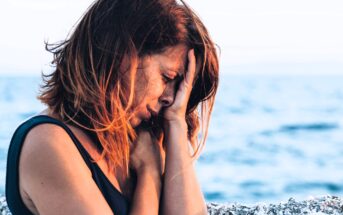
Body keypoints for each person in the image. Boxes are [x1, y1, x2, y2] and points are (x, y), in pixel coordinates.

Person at [5, 0, 219, 214]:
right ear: (124, 55)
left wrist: (176, 123)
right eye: (167, 77)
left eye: (179, 86)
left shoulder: (144, 141)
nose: (171, 98)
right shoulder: (49, 143)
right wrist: (149, 175)